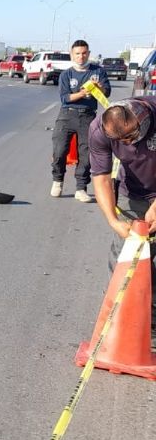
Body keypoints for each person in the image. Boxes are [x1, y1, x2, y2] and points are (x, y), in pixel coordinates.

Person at [89, 96, 156, 284]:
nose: (126, 143)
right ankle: (119, 310)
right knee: (126, 256)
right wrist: (113, 220)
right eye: (119, 140)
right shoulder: (98, 130)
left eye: (130, 137)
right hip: (133, 192)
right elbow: (101, 177)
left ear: (143, 120)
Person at [51, 39, 111, 202]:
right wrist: (83, 93)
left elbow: (107, 93)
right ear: (72, 54)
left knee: (86, 154)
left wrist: (99, 88)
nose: (81, 56)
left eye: (84, 53)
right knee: (59, 150)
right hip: (67, 115)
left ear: (89, 54)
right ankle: (58, 180)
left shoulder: (98, 72)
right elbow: (65, 98)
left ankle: (81, 188)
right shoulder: (66, 75)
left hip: (88, 116)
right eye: (77, 53)